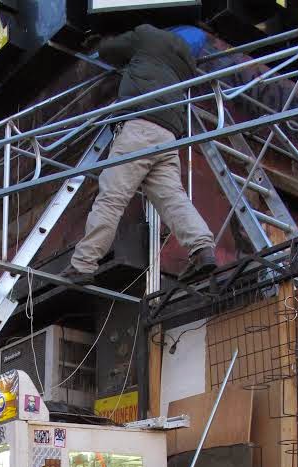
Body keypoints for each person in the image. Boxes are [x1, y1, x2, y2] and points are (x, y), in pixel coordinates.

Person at [64, 24, 216, 284]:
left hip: (140, 126)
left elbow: (111, 51)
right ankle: (202, 249)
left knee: (112, 196)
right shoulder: (186, 63)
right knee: (172, 198)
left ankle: (83, 264)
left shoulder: (147, 35)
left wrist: (101, 40)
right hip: (168, 134)